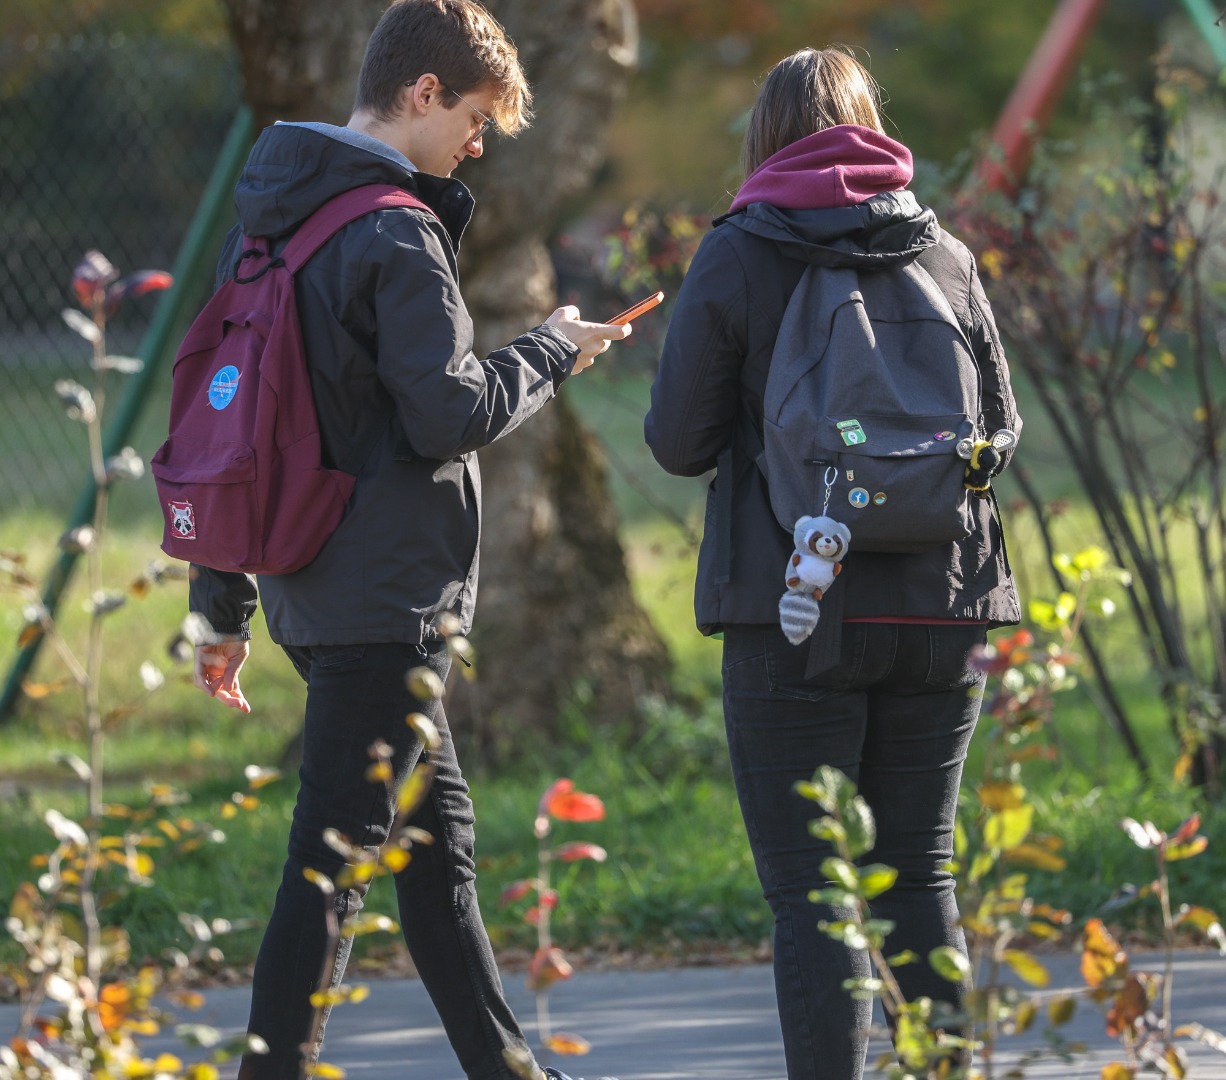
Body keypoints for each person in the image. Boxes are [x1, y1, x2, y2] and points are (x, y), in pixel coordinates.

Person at [187, 2, 626, 1078]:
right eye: (473, 119)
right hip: (387, 600)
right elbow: (448, 414)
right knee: (330, 869)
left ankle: (510, 1070)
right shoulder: (392, 228)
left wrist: (222, 603)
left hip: (312, 588)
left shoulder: (275, 217)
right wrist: (553, 353)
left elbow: (227, 420)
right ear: (422, 94)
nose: (476, 146)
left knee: (436, 861)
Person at [645, 46, 1022, 1080]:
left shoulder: (740, 253)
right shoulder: (941, 253)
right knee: (916, 874)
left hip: (792, 609)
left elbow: (678, 443)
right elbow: (997, 427)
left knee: (815, 892)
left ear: (764, 140)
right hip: (943, 603)